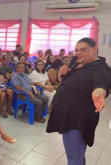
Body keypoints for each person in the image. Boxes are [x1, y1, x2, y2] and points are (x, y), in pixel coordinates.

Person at [46, 37, 111, 165]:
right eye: (76, 50)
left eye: (83, 50)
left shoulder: (100, 68)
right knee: (77, 155)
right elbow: (64, 81)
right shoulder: (77, 63)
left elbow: (100, 84)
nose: (78, 53)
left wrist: (98, 94)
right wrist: (61, 74)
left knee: (74, 158)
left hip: (76, 120)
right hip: (68, 116)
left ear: (94, 49)